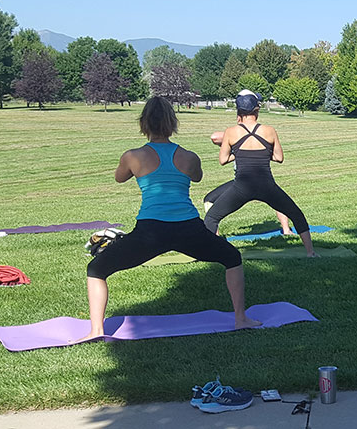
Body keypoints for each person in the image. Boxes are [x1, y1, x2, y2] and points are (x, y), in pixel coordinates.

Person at [78, 97, 259, 343]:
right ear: (173, 124)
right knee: (232, 257)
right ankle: (241, 319)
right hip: (189, 228)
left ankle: (97, 330)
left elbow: (120, 177)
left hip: (150, 231)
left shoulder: (133, 156)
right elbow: (197, 177)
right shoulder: (189, 157)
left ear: (144, 124)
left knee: (96, 269)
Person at [202, 90, 316, 257]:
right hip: (267, 186)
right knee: (296, 214)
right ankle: (311, 253)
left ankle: (209, 254)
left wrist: (240, 153)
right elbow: (279, 157)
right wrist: (261, 153)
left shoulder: (231, 132)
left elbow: (223, 159)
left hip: (241, 187)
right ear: (257, 110)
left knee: (211, 218)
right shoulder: (269, 130)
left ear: (239, 111)